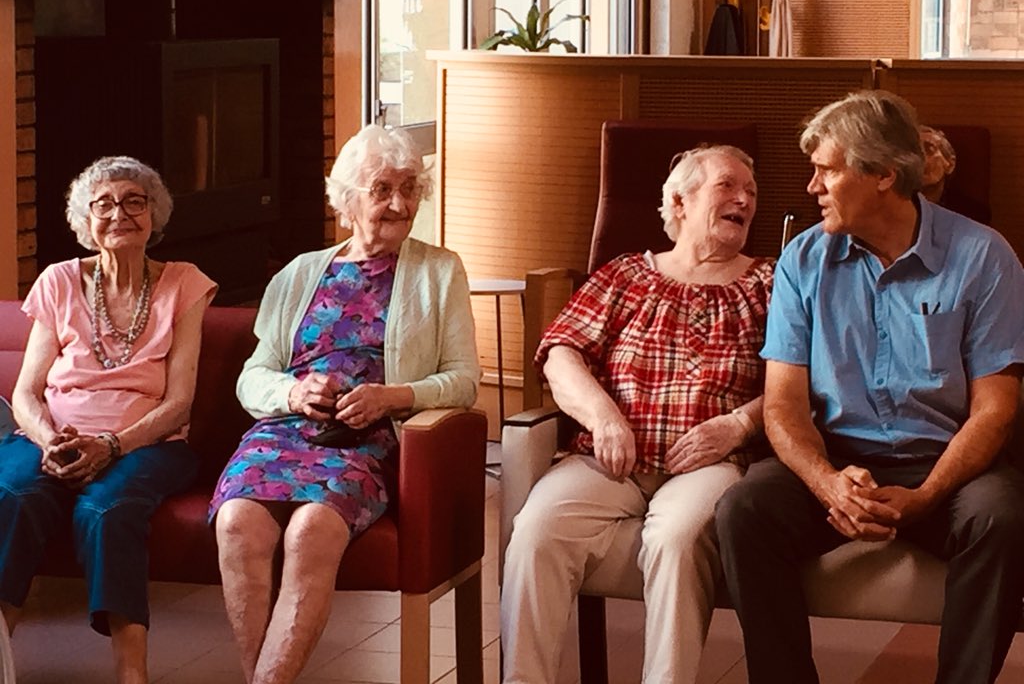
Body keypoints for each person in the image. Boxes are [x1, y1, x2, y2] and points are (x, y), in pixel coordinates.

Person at [715, 90, 1024, 684]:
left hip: (948, 463)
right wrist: (827, 483)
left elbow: (995, 412)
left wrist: (928, 495)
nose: (812, 187)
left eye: (827, 169)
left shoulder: (983, 256)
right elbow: (783, 404)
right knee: (745, 510)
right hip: (840, 461)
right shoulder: (802, 260)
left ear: (884, 173)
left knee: (1003, 515)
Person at [211, 125, 480, 684]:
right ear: (349, 199)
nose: (400, 204)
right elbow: (252, 376)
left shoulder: (438, 270)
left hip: (368, 440)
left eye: (409, 189)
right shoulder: (299, 273)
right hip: (284, 432)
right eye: (382, 189)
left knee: (311, 528)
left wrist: (394, 397)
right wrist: (292, 391)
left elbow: (463, 380)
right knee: (237, 521)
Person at [501, 145, 774, 684]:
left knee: (676, 538)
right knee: (537, 528)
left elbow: (801, 383)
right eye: (727, 186)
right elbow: (560, 354)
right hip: (611, 457)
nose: (743, 198)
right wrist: (603, 417)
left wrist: (736, 425)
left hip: (710, 463)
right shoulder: (625, 275)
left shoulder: (768, 283)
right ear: (679, 199)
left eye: (752, 192)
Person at [0, 156, 217, 684]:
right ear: (85, 220)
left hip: (149, 443)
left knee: (108, 508)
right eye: (104, 204)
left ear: (154, 214)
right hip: (51, 436)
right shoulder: (58, 281)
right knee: (13, 494)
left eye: (134, 201)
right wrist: (50, 439)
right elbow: (27, 391)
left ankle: (131, 675)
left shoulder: (184, 283)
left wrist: (112, 446)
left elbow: (179, 403)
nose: (119, 213)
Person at [919, 124, 991, 224]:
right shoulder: (894, 207)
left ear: (950, 164)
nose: (920, 159)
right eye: (915, 152)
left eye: (929, 150)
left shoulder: (971, 213)